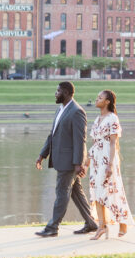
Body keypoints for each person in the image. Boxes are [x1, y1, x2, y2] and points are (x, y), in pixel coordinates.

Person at [34, 81, 97, 238]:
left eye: (58, 91)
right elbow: (52, 135)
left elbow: (80, 139)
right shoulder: (60, 109)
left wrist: (78, 164)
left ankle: (52, 227)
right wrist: (42, 154)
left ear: (67, 93)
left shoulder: (77, 112)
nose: (55, 93)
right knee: (76, 192)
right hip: (61, 159)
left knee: (62, 192)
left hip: (69, 163)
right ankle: (91, 223)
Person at [83, 89, 133, 240]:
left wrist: (110, 165)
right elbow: (94, 143)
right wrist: (87, 162)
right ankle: (102, 227)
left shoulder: (112, 119)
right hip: (97, 160)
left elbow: (113, 143)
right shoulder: (97, 119)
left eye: (100, 98)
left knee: (113, 190)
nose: (96, 99)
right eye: (97, 97)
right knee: (96, 192)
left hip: (107, 159)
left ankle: (123, 221)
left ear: (107, 102)